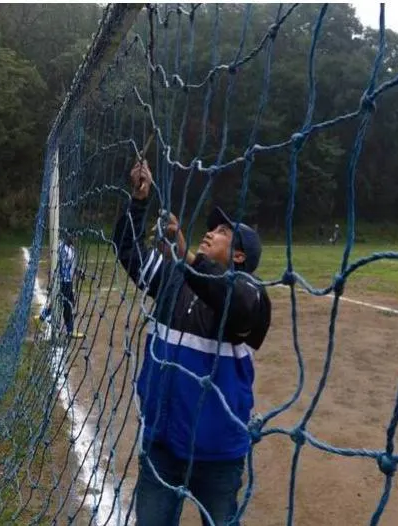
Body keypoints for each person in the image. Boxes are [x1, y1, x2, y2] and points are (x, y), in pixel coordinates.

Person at [114, 160, 271, 526]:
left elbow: (236, 301)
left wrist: (186, 256)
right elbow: (127, 251)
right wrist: (139, 201)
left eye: (222, 231)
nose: (211, 232)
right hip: (162, 447)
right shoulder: (173, 280)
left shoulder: (250, 292)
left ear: (240, 256)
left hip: (218, 457)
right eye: (211, 227)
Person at [39, 233, 85, 339]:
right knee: (67, 304)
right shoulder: (61, 247)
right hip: (62, 281)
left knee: (65, 302)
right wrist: (53, 280)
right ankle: (69, 330)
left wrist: (78, 272)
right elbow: (58, 264)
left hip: (67, 281)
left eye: (77, 236)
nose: (76, 238)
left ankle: (43, 316)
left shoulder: (71, 249)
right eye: (74, 236)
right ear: (69, 235)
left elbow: (70, 265)